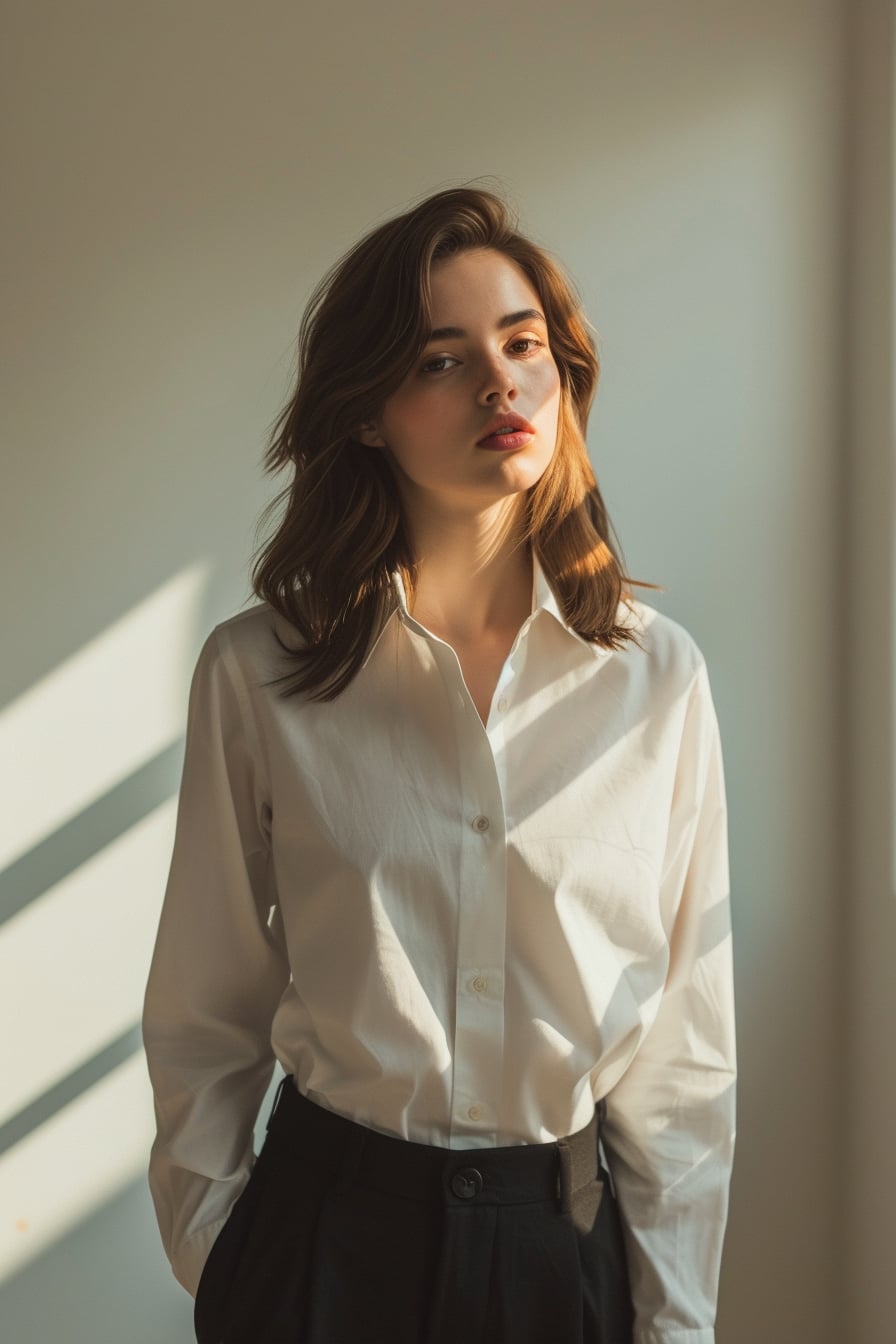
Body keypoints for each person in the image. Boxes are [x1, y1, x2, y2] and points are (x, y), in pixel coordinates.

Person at [142, 183, 736, 1344]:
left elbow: (681, 1056)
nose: (499, 385)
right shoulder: (259, 673)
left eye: (523, 347)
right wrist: (223, 1258)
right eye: (439, 360)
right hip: (322, 1249)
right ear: (365, 411)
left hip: (556, 1256)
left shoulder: (655, 681)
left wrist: (674, 1324)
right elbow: (204, 1007)